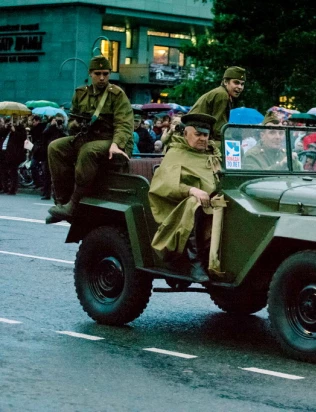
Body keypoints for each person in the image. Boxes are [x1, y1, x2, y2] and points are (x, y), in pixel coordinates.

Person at [46, 55, 133, 223]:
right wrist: (75, 125)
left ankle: (74, 205)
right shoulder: (80, 94)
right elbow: (71, 121)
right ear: (90, 74)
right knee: (55, 147)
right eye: (98, 73)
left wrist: (117, 144)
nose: (102, 78)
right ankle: (62, 201)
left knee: (88, 151)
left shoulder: (116, 95)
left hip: (113, 141)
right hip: (88, 137)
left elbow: (124, 124)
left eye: (106, 74)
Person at [148, 113, 225, 282]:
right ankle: (194, 260)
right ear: (185, 134)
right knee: (194, 202)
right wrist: (191, 190)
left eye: (205, 135)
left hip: (213, 201)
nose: (202, 139)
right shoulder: (177, 153)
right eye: (197, 134)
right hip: (178, 206)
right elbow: (163, 185)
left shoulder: (212, 154)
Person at [189, 66, 246, 146]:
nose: (240, 87)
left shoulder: (222, 93)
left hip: (199, 133)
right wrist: (234, 143)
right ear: (226, 82)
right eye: (236, 83)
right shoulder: (222, 95)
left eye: (242, 84)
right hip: (195, 134)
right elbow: (219, 129)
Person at [40, 114, 67, 199]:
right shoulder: (50, 127)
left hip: (59, 153)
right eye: (57, 120)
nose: (58, 122)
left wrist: (61, 129)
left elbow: (66, 137)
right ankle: (46, 192)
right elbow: (44, 135)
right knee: (46, 173)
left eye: (60, 120)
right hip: (48, 152)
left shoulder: (64, 128)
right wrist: (51, 126)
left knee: (58, 175)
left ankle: (58, 194)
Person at [0, 119, 26, 195]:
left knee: (13, 171)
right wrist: (5, 127)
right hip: (4, 152)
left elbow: (22, 138)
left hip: (13, 154)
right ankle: (5, 187)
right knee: (3, 171)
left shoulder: (20, 128)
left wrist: (14, 130)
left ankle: (13, 189)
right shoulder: (7, 129)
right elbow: (1, 134)